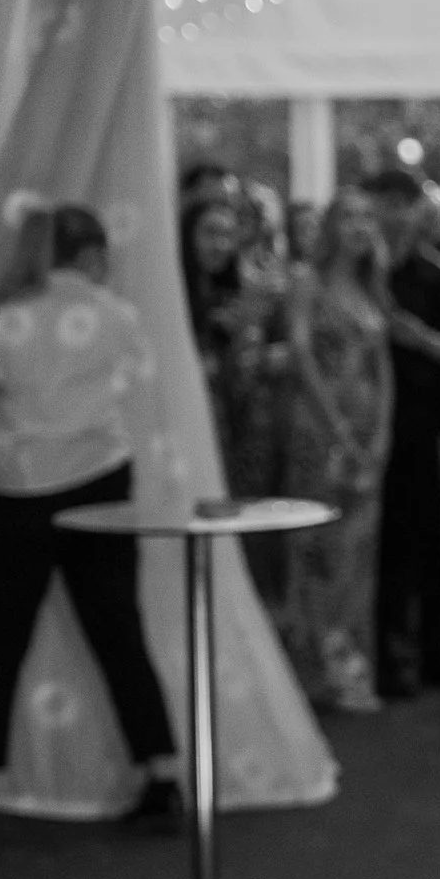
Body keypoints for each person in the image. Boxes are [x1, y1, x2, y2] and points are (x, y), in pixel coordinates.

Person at [0, 204, 180, 830]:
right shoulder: (117, 315)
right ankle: (161, 773)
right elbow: (136, 386)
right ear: (92, 254)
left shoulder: (1, 319)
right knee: (120, 633)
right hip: (99, 482)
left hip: (15, 493)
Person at [366, 167, 440, 695]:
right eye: (383, 204)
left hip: (420, 422)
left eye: (402, 204)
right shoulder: (361, 274)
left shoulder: (434, 277)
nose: (394, 214)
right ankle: (387, 658)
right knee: (385, 548)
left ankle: (435, 652)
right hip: (368, 423)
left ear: (418, 211)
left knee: (429, 544)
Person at [278, 188, 394, 713]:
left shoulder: (372, 288)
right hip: (319, 430)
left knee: (359, 547)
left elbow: (383, 368)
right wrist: (337, 428)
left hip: (367, 429)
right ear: (330, 227)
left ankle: (349, 660)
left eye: (368, 217)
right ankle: (318, 664)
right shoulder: (309, 282)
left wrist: (382, 430)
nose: (360, 226)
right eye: (348, 217)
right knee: (320, 547)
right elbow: (301, 356)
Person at [179, 194, 291, 596]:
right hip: (188, 434)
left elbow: (251, 366)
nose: (220, 244)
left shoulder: (239, 293)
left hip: (239, 429)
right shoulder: (175, 298)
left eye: (228, 234)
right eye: (209, 232)